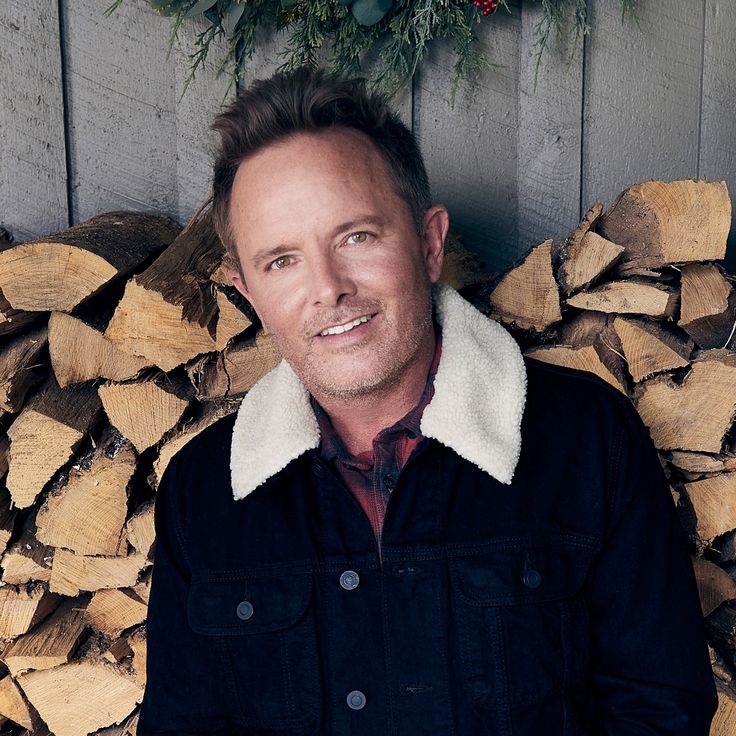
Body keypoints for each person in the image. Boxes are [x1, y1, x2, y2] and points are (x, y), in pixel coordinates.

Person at [138, 67, 717, 735]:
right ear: (247, 294)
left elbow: (659, 710)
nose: (328, 288)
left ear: (429, 243)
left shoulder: (585, 441)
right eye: (282, 261)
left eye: (356, 236)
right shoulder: (203, 492)